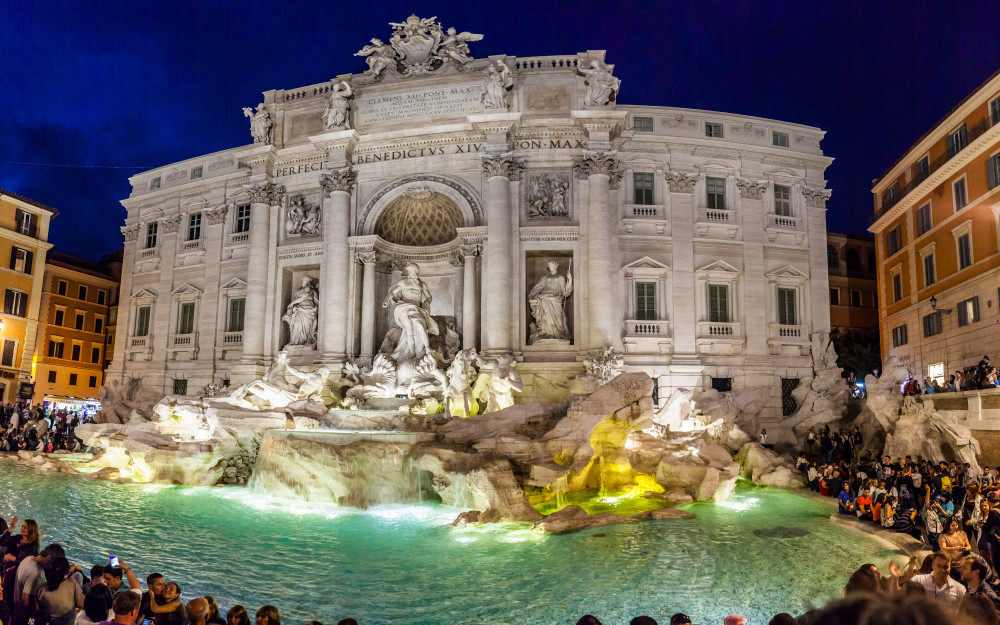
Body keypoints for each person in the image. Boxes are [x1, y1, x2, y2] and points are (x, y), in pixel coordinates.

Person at [381, 263, 438, 362]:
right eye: (409, 271)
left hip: (416, 308)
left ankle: (427, 348)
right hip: (404, 306)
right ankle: (412, 352)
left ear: (416, 272)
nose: (411, 273)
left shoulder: (422, 284)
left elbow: (429, 297)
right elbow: (392, 292)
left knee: (420, 324)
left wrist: (426, 303)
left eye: (412, 271)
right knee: (409, 328)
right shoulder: (403, 283)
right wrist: (386, 300)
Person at [527, 259, 573, 343]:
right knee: (546, 317)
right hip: (545, 299)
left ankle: (557, 334)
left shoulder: (561, 278)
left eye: (552, 265)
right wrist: (531, 295)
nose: (551, 267)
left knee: (558, 317)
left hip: (557, 301)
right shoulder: (545, 278)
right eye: (549, 266)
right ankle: (546, 333)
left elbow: (565, 293)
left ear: (556, 266)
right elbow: (538, 288)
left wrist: (570, 281)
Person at [899, 551, 966, 608]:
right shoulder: (918, 580)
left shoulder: (960, 589)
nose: (943, 570)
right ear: (932, 565)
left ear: (950, 567)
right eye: (939, 566)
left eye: (946, 567)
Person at [39, 556, 84, 625]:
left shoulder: (41, 589)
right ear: (67, 572)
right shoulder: (71, 583)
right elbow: (81, 604)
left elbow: (38, 609)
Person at [282, 277, 319, 346]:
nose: (306, 282)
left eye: (307, 280)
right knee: (297, 323)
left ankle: (303, 341)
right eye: (305, 280)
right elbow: (297, 300)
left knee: (306, 327)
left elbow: (316, 301)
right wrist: (294, 306)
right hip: (299, 309)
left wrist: (316, 308)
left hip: (309, 311)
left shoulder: (311, 290)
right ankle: (296, 341)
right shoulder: (298, 291)